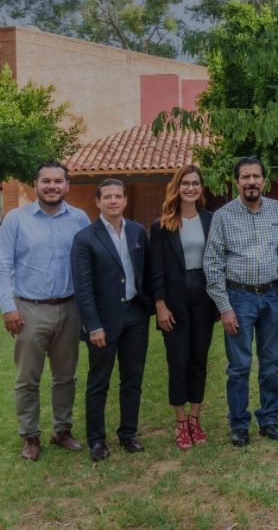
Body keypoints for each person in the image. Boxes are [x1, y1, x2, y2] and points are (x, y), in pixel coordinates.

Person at [1, 162, 90, 461]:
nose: (52, 186)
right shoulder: (15, 219)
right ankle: (30, 436)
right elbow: (3, 265)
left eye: (58, 181)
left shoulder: (80, 219)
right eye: (46, 181)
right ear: (35, 184)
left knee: (66, 376)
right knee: (27, 379)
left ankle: (62, 430)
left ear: (67, 186)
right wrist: (7, 308)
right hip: (29, 309)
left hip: (70, 308)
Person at [204, 156, 278, 447]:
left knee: (272, 363)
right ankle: (239, 424)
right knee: (239, 366)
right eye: (245, 177)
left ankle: (269, 419)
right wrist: (224, 307)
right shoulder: (223, 216)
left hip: (274, 296)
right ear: (236, 181)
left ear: (264, 180)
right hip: (239, 297)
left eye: (256, 176)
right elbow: (212, 264)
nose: (251, 182)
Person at [71, 178, 153, 461]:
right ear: (98, 202)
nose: (114, 201)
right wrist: (93, 325)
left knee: (132, 379)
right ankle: (96, 440)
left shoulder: (137, 232)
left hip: (135, 315)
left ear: (125, 200)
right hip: (103, 322)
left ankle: (128, 434)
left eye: (118, 196)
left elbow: (146, 272)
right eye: (107, 197)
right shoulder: (85, 238)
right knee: (99, 381)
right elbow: (83, 288)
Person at [150, 165, 218, 450]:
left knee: (198, 361)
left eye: (195, 183)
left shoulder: (211, 220)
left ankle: (195, 419)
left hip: (203, 299)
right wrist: (161, 305)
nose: (191, 188)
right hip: (174, 302)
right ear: (177, 188)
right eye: (185, 183)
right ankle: (179, 422)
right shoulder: (162, 225)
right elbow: (155, 270)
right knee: (178, 362)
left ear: (201, 188)